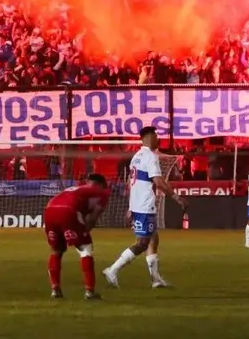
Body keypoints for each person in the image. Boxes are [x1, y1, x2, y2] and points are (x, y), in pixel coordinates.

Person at [103, 126, 185, 289]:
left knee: (153, 239)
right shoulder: (149, 157)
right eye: (156, 136)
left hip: (138, 204)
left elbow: (131, 183)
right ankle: (112, 270)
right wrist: (176, 197)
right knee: (142, 243)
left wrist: (130, 206)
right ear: (149, 137)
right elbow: (158, 182)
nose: (158, 139)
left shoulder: (136, 156)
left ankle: (155, 279)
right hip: (144, 206)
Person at [44, 173, 110, 300]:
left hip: (49, 210)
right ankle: (89, 291)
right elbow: (94, 216)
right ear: (100, 184)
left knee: (56, 250)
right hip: (68, 211)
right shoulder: (101, 192)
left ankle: (55, 289)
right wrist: (84, 231)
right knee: (86, 248)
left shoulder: (75, 188)